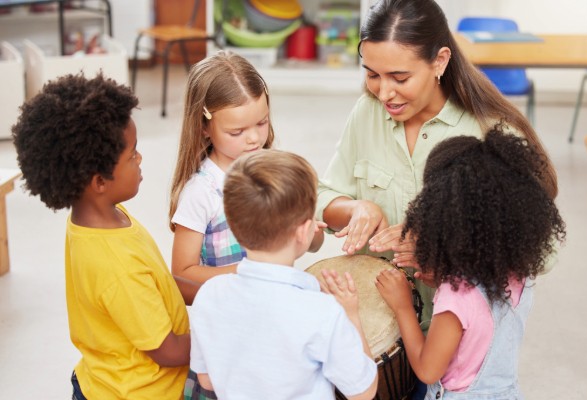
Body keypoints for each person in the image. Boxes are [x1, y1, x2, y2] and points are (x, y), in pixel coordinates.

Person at [316, 2, 558, 395]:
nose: (383, 92)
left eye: (399, 76)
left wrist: (437, 250)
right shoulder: (366, 113)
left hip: (449, 355)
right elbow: (324, 194)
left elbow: (537, 254)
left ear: (440, 60)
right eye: (372, 74)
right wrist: (357, 207)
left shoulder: (491, 132)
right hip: (384, 336)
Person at [11, 74, 202, 400]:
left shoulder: (99, 220)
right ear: (99, 181)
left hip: (103, 381)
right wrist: (228, 330)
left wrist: (219, 292)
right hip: (135, 393)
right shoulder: (117, 264)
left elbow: (157, 283)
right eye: (132, 154)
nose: (140, 159)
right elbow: (168, 351)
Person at [374, 128, 566, 399]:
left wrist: (403, 305)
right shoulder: (521, 273)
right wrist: (446, 278)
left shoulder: (457, 298)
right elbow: (482, 319)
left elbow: (428, 371)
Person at [188, 150, 378, 400]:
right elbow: (363, 392)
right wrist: (350, 314)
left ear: (234, 226)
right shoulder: (321, 312)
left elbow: (207, 380)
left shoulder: (209, 295)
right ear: (304, 231)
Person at [169, 50, 325, 286]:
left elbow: (314, 243)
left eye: (262, 122)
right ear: (204, 127)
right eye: (236, 132)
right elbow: (182, 277)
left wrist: (310, 230)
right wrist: (251, 270)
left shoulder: (275, 171)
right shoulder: (201, 192)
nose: (254, 138)